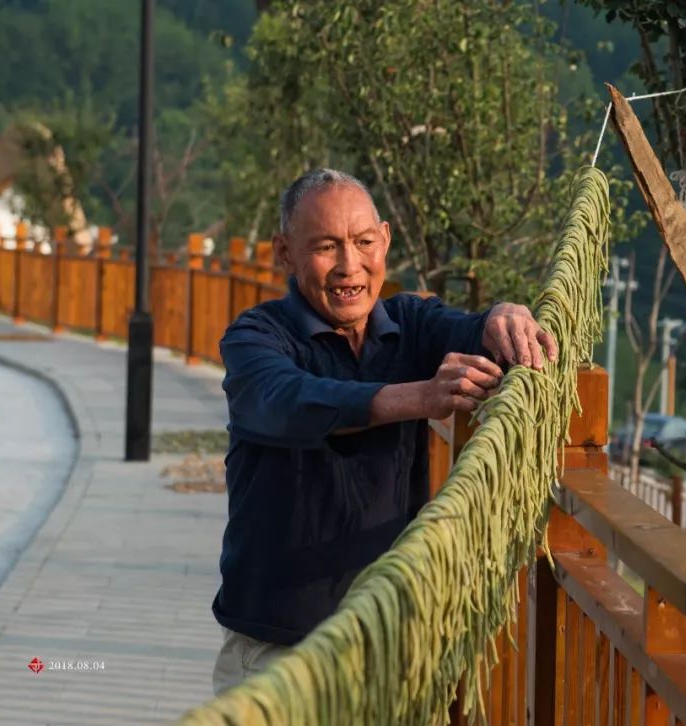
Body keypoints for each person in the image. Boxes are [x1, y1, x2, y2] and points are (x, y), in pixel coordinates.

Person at [210, 169, 557, 695]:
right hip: (278, 655)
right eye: (327, 247)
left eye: (364, 242)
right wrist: (419, 397)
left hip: (388, 649)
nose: (350, 266)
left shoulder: (410, 324)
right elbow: (285, 401)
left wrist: (503, 318)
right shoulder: (256, 338)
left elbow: (474, 331)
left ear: (385, 242)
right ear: (284, 252)